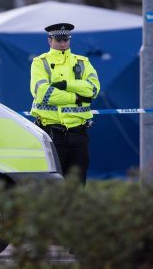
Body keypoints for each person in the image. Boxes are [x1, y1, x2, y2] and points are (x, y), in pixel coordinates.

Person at [30, 23, 100, 185]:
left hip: (79, 134)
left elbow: (93, 89)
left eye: (66, 39)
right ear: (49, 40)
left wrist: (65, 85)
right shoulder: (40, 62)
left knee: (77, 185)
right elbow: (42, 93)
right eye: (58, 39)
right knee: (52, 186)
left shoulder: (82, 62)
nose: (62, 43)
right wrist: (76, 98)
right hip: (52, 134)